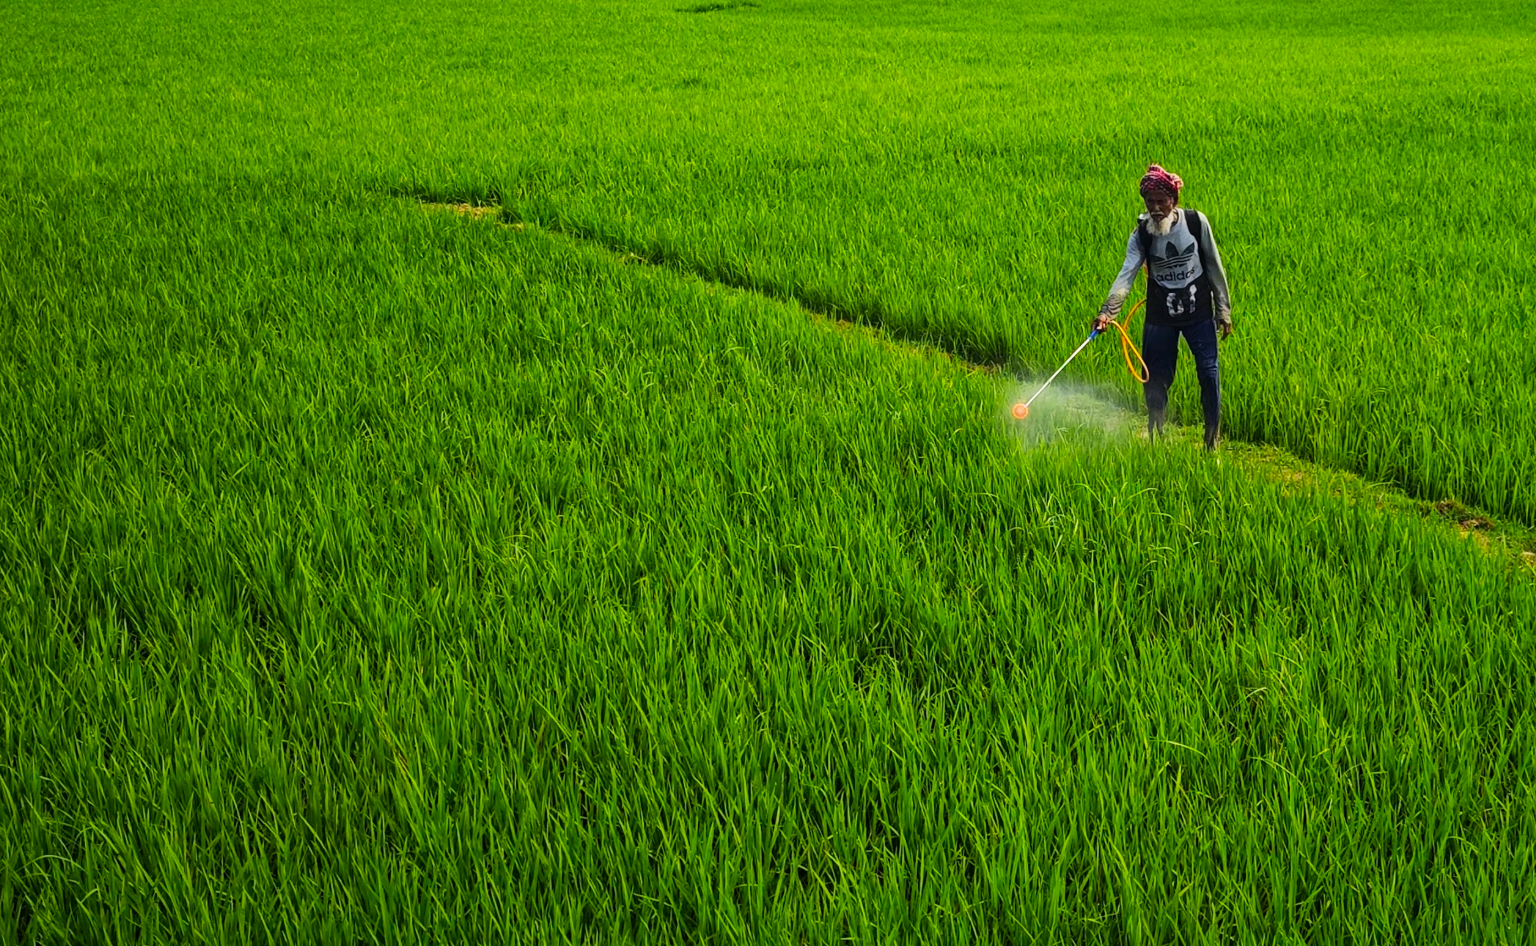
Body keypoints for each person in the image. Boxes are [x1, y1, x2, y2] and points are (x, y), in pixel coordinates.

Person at [1093, 165, 1233, 450]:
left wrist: (1223, 310)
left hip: (1198, 313)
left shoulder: (1195, 222)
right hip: (1160, 314)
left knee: (1209, 372)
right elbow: (1126, 275)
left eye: (1161, 201)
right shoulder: (1142, 235)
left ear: (1174, 201)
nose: (1156, 208)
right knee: (1155, 377)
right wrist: (1108, 312)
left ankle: (1212, 438)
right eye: (1150, 202)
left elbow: (1214, 266)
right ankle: (1156, 431)